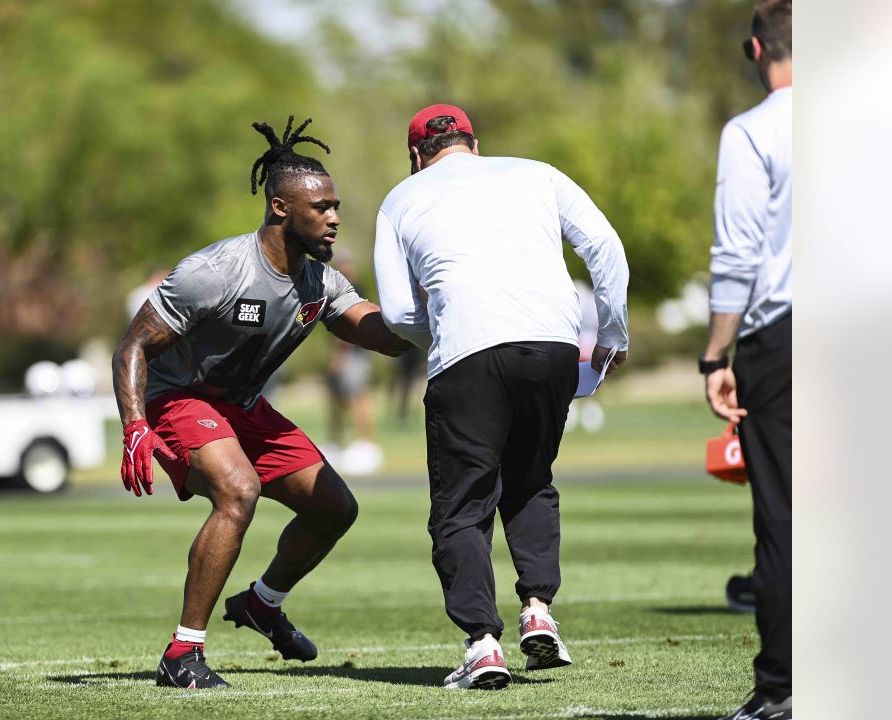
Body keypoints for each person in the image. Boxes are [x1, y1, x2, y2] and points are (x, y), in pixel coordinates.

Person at [113, 116, 412, 689]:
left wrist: (436, 316)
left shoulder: (319, 283)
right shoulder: (215, 271)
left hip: (243, 405)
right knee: (238, 490)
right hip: (178, 397)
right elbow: (132, 345)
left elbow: (378, 334)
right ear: (280, 208)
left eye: (336, 205)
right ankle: (182, 654)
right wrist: (133, 426)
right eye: (322, 206)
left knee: (335, 508)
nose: (334, 217)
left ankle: (263, 604)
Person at [374, 104, 629, 690]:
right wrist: (611, 338)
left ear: (416, 156)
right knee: (531, 478)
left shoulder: (400, 198)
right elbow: (606, 248)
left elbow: (394, 311)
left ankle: (482, 643)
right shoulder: (538, 172)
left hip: (467, 352)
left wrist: (443, 328)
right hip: (554, 344)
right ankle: (538, 609)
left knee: (462, 504)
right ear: (475, 143)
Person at [700, 3, 792, 718]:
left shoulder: (753, 131)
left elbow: (737, 256)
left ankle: (784, 690)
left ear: (757, 49)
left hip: (786, 336)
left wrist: (713, 356)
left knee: (789, 518)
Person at [322, 255, 382, 474]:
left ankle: (367, 444)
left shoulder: (351, 289)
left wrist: (338, 358)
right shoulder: (347, 287)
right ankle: (336, 442)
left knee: (357, 397)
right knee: (337, 399)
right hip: (352, 354)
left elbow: (347, 328)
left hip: (353, 355)